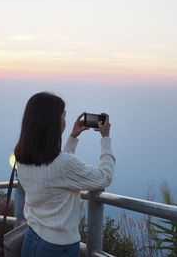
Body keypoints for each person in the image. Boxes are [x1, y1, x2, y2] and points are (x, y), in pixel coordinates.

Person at [14, 92, 116, 257]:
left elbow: (57, 173)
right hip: (57, 248)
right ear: (53, 122)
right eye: (64, 115)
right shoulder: (62, 164)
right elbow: (104, 177)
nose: (65, 119)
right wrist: (106, 139)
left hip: (32, 238)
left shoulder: (23, 157)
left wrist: (73, 137)